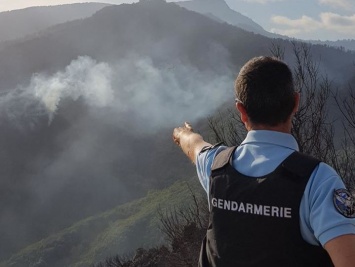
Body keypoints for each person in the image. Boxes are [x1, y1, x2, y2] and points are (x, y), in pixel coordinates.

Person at [172, 56, 355, 267]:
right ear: (295, 103)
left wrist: (182, 133)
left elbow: (194, 146)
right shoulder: (318, 181)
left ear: (241, 111)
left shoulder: (216, 167)